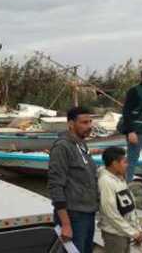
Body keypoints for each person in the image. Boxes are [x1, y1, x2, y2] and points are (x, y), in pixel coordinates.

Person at [48, 106, 99, 253]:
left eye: (90, 122)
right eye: (84, 122)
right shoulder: (62, 147)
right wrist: (66, 224)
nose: (89, 126)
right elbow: (55, 186)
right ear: (71, 124)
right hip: (73, 215)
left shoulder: (81, 144)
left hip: (88, 213)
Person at [98, 146, 142, 252]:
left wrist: (138, 229)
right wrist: (134, 233)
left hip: (125, 233)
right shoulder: (106, 182)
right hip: (115, 235)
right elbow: (111, 213)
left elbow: (129, 208)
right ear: (115, 164)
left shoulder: (120, 178)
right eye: (124, 162)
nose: (127, 165)